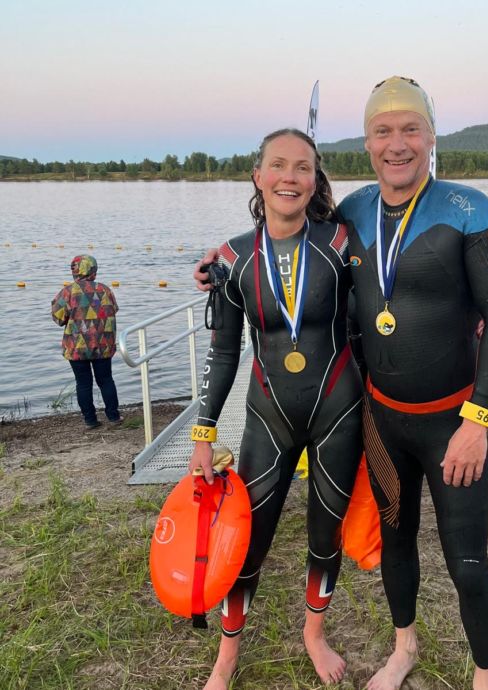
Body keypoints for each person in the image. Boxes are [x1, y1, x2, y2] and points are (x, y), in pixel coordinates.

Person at [337, 76, 488, 690]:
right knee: (396, 540)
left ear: (432, 137)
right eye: (383, 131)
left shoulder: (472, 211)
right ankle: (404, 647)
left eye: (410, 129)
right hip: (383, 419)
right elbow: (290, 253)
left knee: (466, 562)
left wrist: (479, 420)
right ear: (367, 142)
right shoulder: (351, 211)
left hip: (452, 422)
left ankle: (485, 673)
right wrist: (224, 265)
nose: (397, 144)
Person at [189, 129, 362, 688]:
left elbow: (389, 303)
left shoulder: (342, 244)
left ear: (315, 181)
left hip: (338, 405)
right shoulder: (234, 259)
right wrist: (203, 431)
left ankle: (314, 634)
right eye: (278, 166)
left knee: (325, 533)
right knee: (248, 538)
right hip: (268, 413)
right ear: (258, 176)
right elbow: (222, 351)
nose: (290, 176)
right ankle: (227, 654)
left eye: (303, 168)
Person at [51, 255, 121, 429]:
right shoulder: (105, 290)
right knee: (106, 380)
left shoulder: (67, 292)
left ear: (75, 271)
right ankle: (113, 417)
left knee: (83, 383)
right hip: (103, 344)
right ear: (93, 271)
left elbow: (58, 318)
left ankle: (90, 420)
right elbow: (114, 310)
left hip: (77, 347)